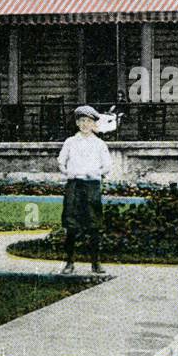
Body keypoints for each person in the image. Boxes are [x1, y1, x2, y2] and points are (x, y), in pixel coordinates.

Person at [58, 105, 112, 275]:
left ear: (94, 124)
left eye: (88, 121)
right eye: (81, 121)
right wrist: (68, 172)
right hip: (74, 185)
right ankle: (69, 263)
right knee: (71, 225)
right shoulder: (70, 142)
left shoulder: (99, 144)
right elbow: (61, 161)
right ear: (77, 123)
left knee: (94, 225)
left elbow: (107, 166)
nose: (85, 124)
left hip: (92, 187)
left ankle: (96, 263)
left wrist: (95, 172)